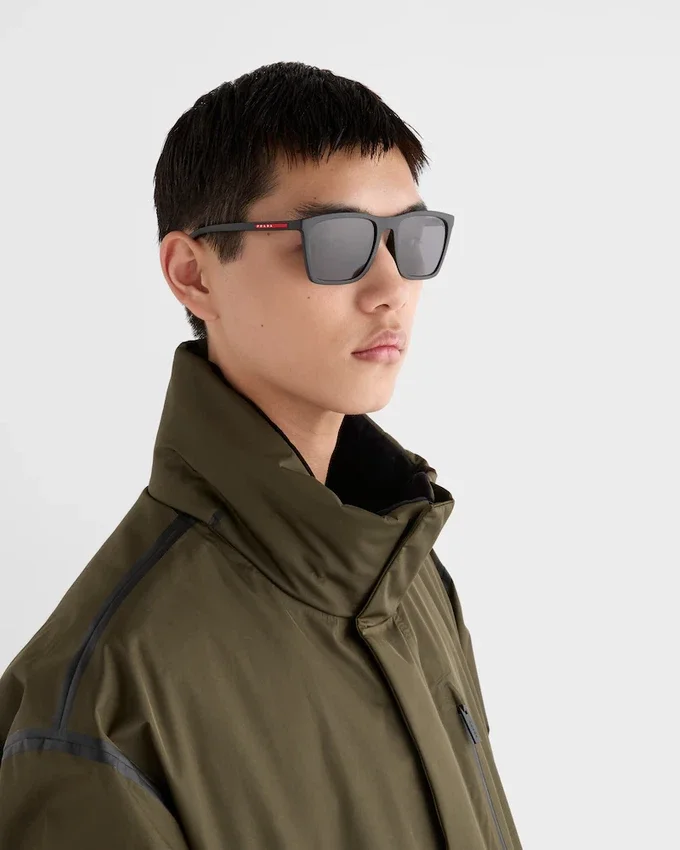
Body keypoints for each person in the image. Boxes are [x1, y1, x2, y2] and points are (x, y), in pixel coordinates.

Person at [0, 61, 523, 849]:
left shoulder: (406, 574)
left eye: (411, 239)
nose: (390, 287)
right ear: (193, 274)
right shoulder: (101, 701)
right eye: (336, 242)